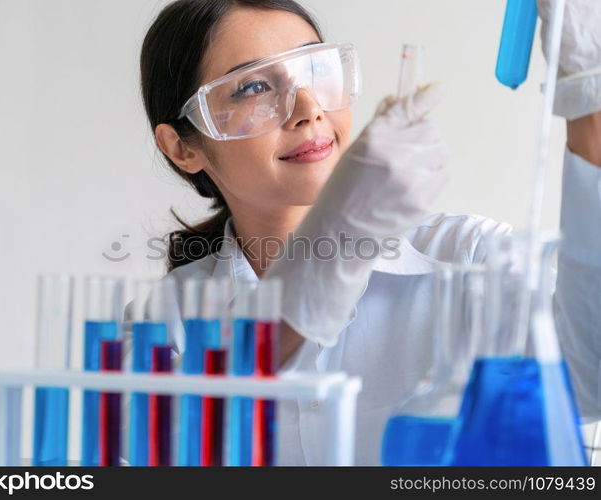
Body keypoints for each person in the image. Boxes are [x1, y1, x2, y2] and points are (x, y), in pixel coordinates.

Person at [131, 0, 601, 465]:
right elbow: (164, 447)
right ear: (182, 147)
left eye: (315, 70)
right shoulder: (165, 319)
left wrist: (588, 98)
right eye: (253, 86)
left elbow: (587, 383)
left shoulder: (468, 260)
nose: (308, 109)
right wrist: (326, 256)